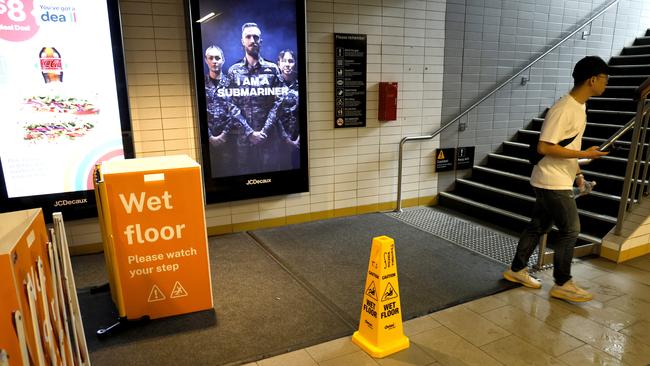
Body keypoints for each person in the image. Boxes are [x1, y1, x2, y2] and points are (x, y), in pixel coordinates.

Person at [503, 56, 610, 302]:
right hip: (552, 181)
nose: (606, 84)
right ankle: (562, 283)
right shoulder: (564, 109)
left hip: (556, 178)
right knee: (571, 229)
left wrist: (579, 174)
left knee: (538, 225)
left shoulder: (580, 107)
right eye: (605, 79)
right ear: (592, 79)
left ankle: (517, 270)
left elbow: (568, 144)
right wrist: (585, 155)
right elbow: (544, 147)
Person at [226, 22, 284, 174]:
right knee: (244, 176)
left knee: (270, 176)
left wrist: (263, 132)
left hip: (269, 137)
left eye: (256, 37)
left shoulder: (272, 70)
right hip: (244, 139)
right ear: (242, 41)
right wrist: (249, 132)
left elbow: (279, 103)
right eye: (248, 37)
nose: (252, 40)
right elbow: (230, 104)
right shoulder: (233, 71)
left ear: (261, 41)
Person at [203, 45, 246, 177]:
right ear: (206, 60)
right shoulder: (201, 83)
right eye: (211, 58)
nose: (214, 61)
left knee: (231, 171)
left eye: (217, 58)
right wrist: (210, 136)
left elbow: (237, 110)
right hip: (208, 139)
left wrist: (224, 134)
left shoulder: (232, 83)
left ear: (223, 60)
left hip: (229, 137)